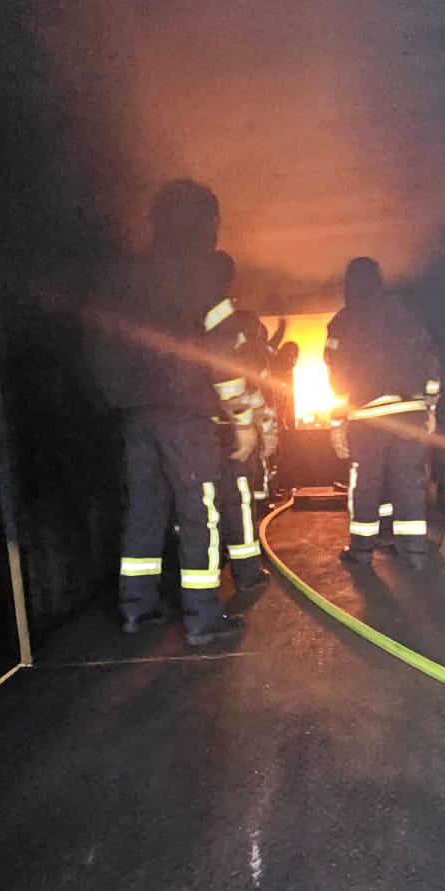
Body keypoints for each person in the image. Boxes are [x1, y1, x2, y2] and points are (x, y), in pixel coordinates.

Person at [89, 180, 247, 647]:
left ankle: (136, 608)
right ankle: (203, 617)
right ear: (205, 221)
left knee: (144, 510)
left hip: (136, 415)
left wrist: (119, 398)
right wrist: (240, 413)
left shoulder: (130, 276)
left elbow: (103, 344)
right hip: (186, 413)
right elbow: (223, 353)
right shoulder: (203, 274)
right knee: (199, 512)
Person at [324, 256, 440, 568]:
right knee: (408, 482)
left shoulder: (341, 323)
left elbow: (336, 376)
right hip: (409, 413)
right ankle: (414, 552)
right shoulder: (405, 315)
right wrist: (430, 407)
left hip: (367, 416)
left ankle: (361, 552)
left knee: (366, 483)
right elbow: (429, 360)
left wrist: (336, 422)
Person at [203, 250, 273, 595]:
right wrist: (254, 424)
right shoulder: (229, 320)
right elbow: (245, 381)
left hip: (196, 428)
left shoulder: (183, 311)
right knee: (238, 499)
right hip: (229, 428)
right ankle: (247, 573)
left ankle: (212, 565)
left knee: (203, 501)